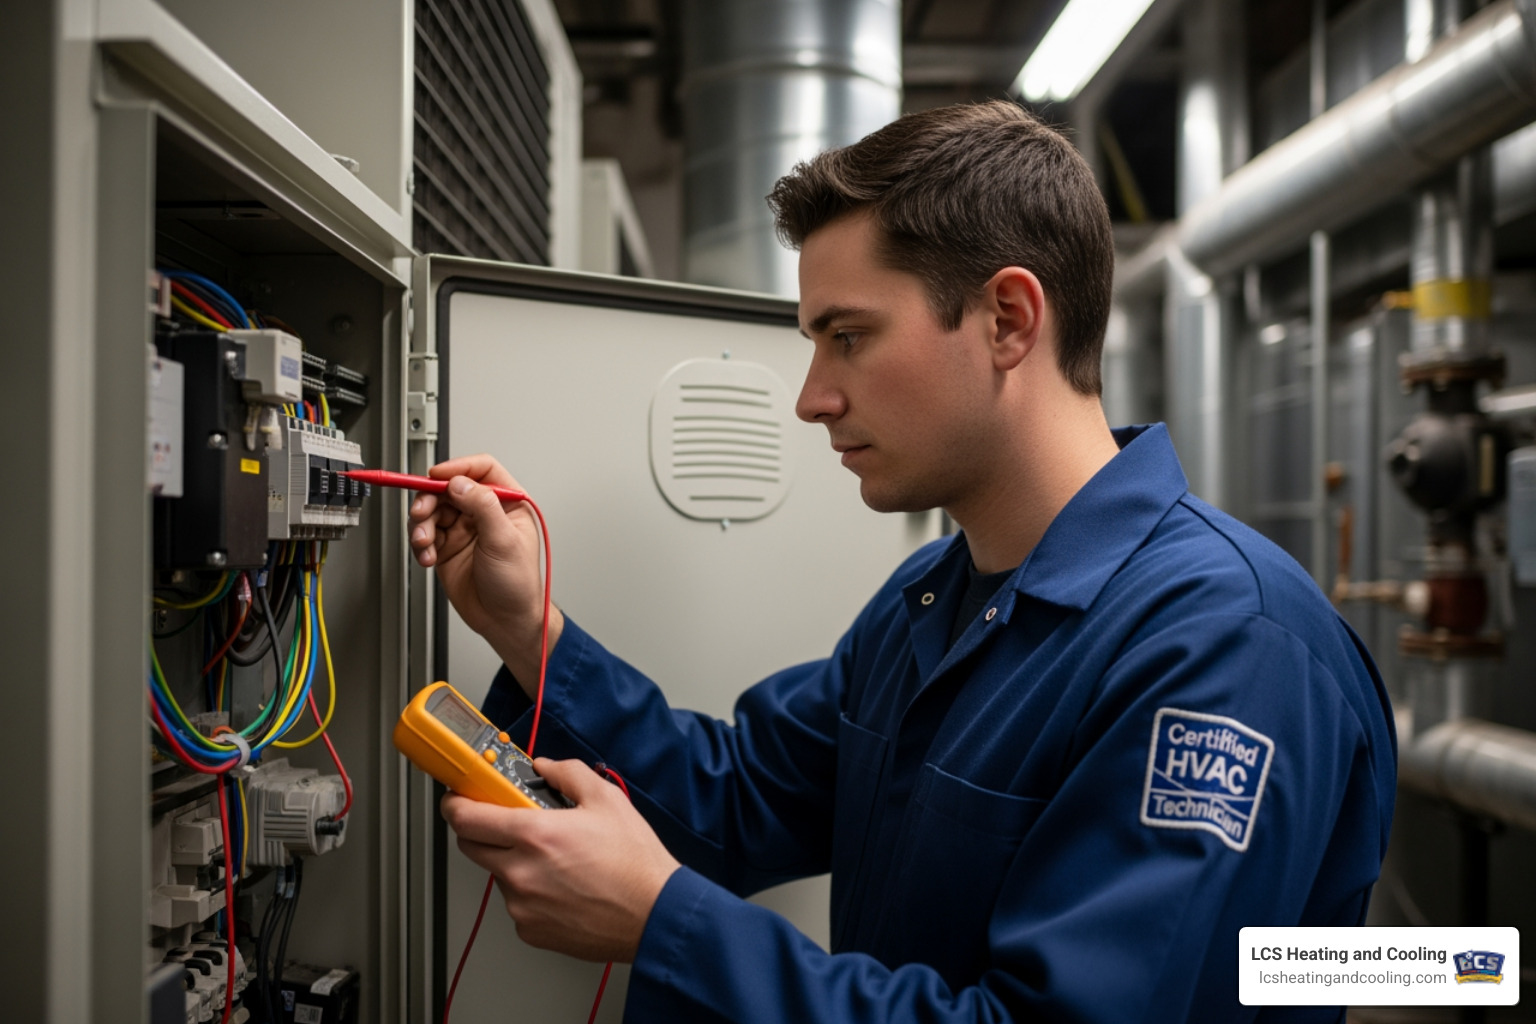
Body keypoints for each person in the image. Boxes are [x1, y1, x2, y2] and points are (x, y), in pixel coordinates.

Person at [408, 100, 1396, 1022]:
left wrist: (667, 923)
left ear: (1009, 319)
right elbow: (742, 799)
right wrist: (526, 626)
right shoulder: (938, 598)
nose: (810, 397)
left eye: (848, 338)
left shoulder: (1225, 648)